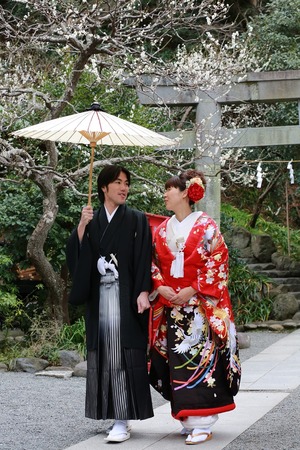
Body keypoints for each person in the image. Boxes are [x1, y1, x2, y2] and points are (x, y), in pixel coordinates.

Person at [149, 169, 241, 445]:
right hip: (172, 307)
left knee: (202, 362)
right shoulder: (162, 228)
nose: (165, 194)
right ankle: (187, 418)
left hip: (199, 308)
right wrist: (159, 285)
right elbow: (151, 261)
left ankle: (203, 421)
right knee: (178, 363)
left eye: (169, 189)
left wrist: (193, 288)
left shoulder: (207, 226)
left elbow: (218, 262)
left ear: (186, 193)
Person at [66, 164, 154, 443]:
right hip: (100, 297)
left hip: (125, 296)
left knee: (123, 353)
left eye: (127, 182)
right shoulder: (92, 220)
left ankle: (122, 419)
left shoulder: (136, 219)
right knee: (104, 354)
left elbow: (143, 257)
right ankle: (113, 414)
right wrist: (82, 225)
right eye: (118, 182)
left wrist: (143, 291)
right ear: (103, 187)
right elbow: (77, 257)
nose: (124, 187)